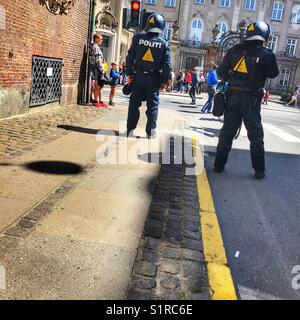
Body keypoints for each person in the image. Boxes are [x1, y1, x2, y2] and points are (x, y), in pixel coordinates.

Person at [214, 21, 279, 179]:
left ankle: (219, 165)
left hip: (232, 97)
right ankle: (259, 170)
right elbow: (273, 74)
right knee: (256, 135)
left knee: (227, 132)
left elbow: (220, 73)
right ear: (264, 36)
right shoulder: (266, 54)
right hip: (252, 100)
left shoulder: (234, 50)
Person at [125, 12, 172, 138]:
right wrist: (163, 81)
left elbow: (130, 57)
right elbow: (167, 65)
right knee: (152, 107)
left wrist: (129, 74)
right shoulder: (164, 44)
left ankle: (130, 130)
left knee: (134, 104)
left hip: (138, 77)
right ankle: (150, 132)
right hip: (154, 79)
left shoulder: (138, 38)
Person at [90, 34, 108, 108]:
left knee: (100, 85)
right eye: (100, 39)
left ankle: (99, 101)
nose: (102, 40)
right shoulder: (96, 47)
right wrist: (102, 69)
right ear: (96, 39)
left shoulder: (96, 47)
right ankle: (95, 101)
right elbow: (98, 60)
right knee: (97, 86)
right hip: (97, 68)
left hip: (97, 68)